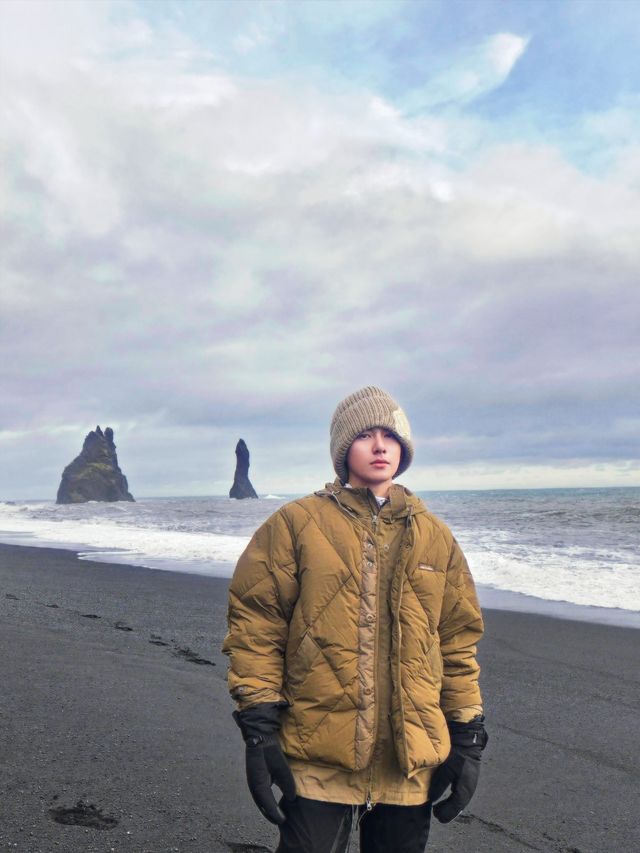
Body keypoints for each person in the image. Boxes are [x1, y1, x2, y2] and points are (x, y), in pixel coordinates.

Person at [222, 386, 487, 853]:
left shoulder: (435, 536)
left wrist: (467, 734)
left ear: (403, 449)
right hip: (317, 753)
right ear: (344, 448)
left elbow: (456, 642)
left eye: (390, 435)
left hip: (409, 760)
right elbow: (257, 626)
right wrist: (259, 723)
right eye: (366, 435)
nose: (380, 445)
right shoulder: (296, 523)